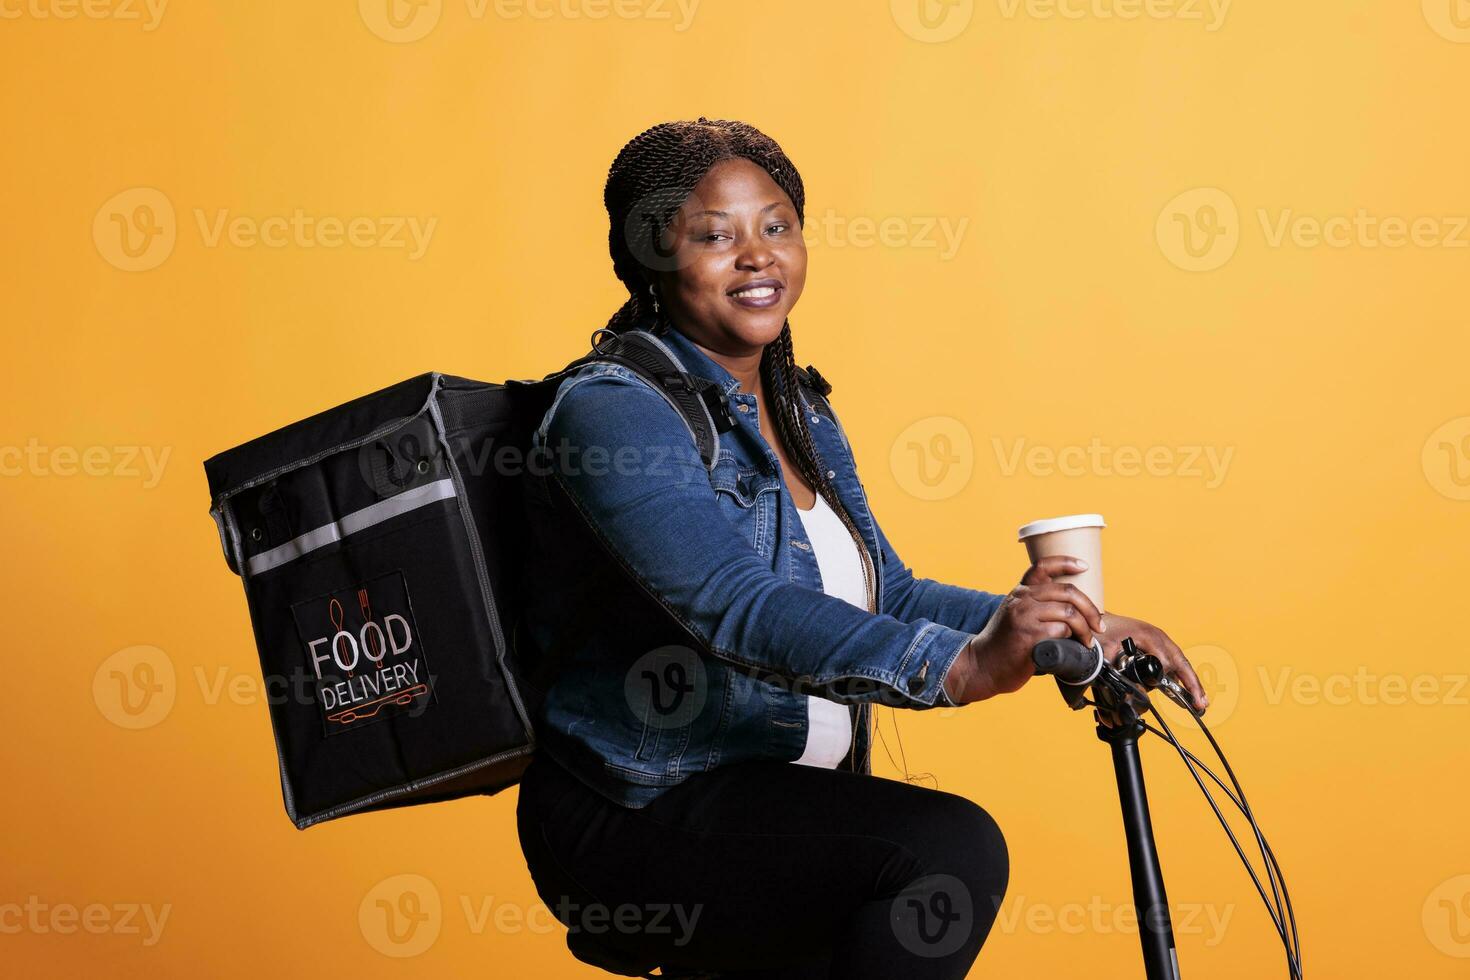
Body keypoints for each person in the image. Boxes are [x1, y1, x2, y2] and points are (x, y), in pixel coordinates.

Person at [514, 117, 1209, 979]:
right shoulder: (610, 412)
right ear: (650, 256)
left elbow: (891, 593)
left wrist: (1058, 626)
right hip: (635, 803)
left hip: (763, 795)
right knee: (945, 853)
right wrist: (961, 670)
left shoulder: (799, 409)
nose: (757, 255)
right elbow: (736, 605)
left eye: (777, 225)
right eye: (713, 236)